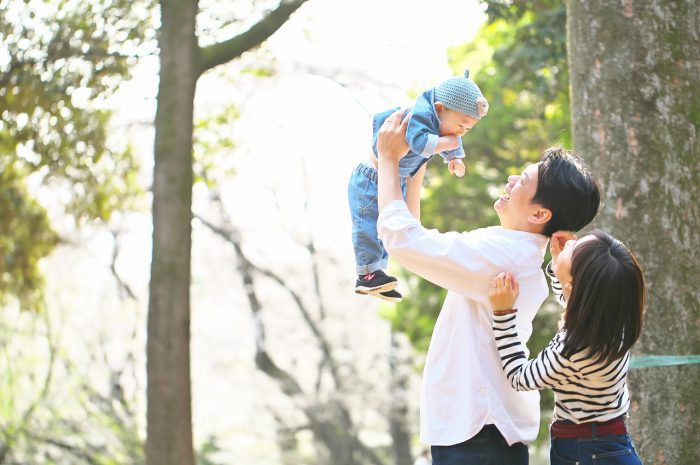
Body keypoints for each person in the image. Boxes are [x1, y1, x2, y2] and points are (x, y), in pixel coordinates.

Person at [375, 108, 601, 465]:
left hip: (479, 430)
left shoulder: (505, 254)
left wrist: (388, 161)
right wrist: (415, 169)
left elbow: (402, 241)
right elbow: (421, 243)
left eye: (522, 181)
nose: (511, 179)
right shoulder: (510, 247)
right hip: (480, 429)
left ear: (540, 215)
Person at [489, 229, 645, 465]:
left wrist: (503, 314)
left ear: (573, 287)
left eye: (573, 250)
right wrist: (559, 267)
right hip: (609, 441)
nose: (571, 243)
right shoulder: (615, 318)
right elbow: (579, 301)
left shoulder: (571, 350)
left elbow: (521, 377)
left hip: (584, 450)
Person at [348, 70, 489, 303]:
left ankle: (378, 273)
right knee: (368, 224)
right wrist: (449, 143)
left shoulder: (447, 125)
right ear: (440, 108)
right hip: (370, 178)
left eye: (468, 129)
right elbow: (420, 143)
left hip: (398, 177)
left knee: (388, 226)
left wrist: (454, 158)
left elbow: (451, 137)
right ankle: (367, 273)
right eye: (462, 124)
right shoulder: (420, 116)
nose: (462, 132)